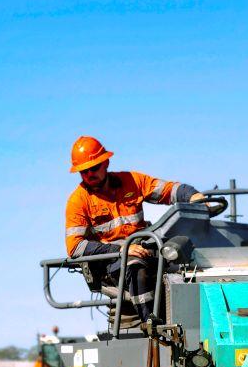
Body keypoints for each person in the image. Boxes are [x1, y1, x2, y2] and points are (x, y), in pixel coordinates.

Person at [64, 136, 205, 322]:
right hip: (112, 260)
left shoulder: (131, 181)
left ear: (105, 163)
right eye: (84, 171)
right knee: (135, 266)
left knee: (182, 250)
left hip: (144, 246)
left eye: (94, 168)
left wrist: (193, 196)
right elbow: (75, 247)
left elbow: (168, 190)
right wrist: (121, 249)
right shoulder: (78, 201)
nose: (89, 174)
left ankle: (196, 316)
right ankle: (151, 323)